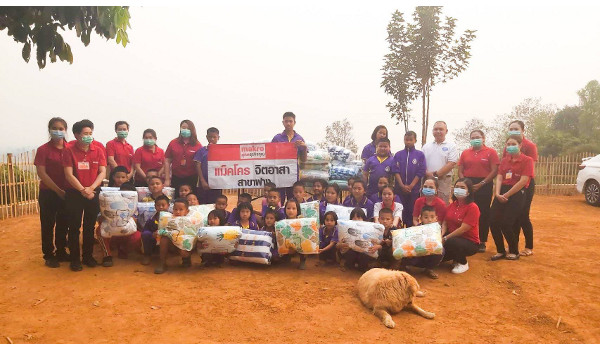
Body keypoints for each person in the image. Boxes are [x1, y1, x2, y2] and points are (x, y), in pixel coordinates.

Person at [62, 119, 107, 271]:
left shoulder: (98, 150)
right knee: (74, 226)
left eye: (90, 133)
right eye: (85, 133)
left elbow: (102, 172)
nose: (88, 136)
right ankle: (75, 259)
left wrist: (91, 188)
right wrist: (82, 190)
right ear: (76, 135)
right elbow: (68, 174)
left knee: (89, 226)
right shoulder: (69, 150)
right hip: (74, 193)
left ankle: (88, 256)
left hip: (93, 193)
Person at [490, 135, 534, 261]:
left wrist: (507, 195)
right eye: (508, 144)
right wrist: (497, 193)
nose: (510, 146)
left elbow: (524, 180)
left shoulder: (527, 160)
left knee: (507, 222)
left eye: (513, 144)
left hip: (517, 193)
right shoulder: (504, 160)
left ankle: (514, 251)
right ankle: (500, 250)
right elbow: (499, 177)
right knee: (493, 221)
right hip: (501, 192)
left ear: (520, 145)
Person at [35, 117, 70, 267]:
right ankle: (48, 254)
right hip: (48, 192)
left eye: (61, 129)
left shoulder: (70, 149)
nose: (58, 131)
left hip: (67, 192)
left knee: (63, 223)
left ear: (65, 130)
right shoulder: (43, 150)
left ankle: (61, 250)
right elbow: (42, 173)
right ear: (49, 130)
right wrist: (57, 190)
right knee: (48, 224)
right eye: (55, 128)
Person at [458, 129, 499, 252]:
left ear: (483, 138)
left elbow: (494, 171)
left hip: (484, 185)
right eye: (472, 137)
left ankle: (482, 241)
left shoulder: (491, 152)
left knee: (483, 213)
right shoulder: (465, 153)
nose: (475, 139)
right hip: (467, 183)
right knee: (466, 211)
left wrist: (482, 183)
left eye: (477, 137)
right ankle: (466, 237)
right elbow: (460, 169)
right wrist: (465, 183)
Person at [504, 120, 538, 257]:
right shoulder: (508, 145)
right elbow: (505, 163)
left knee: (523, 215)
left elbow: (530, 171)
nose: (513, 130)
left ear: (523, 130)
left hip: (526, 184)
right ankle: (514, 245)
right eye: (511, 128)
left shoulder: (530, 146)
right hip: (511, 185)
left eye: (516, 128)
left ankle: (529, 247)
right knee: (513, 215)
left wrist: (522, 184)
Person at [97, 181, 141, 267]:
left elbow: (135, 222)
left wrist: (123, 220)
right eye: (122, 193)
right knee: (99, 231)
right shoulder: (108, 203)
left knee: (138, 236)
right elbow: (99, 219)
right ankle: (107, 256)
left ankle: (123, 249)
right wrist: (107, 216)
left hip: (126, 231)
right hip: (112, 233)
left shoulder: (135, 206)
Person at [441, 178, 480, 274]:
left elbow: (463, 229)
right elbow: (445, 222)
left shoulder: (473, 207)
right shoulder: (452, 205)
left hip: (469, 241)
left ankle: (463, 263)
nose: (459, 189)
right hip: (452, 237)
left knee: (451, 242)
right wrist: (441, 235)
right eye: (457, 187)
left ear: (469, 191)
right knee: (439, 259)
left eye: (462, 187)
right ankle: (455, 258)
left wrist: (445, 238)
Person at [271, 112, 307, 202]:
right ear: (283, 122)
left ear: (294, 122)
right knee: (279, 200)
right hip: (280, 174)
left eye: (290, 121)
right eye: (286, 121)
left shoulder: (299, 138)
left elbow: (304, 159)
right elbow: (270, 156)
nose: (288, 123)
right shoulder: (277, 138)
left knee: (293, 200)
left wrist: (304, 147)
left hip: (293, 175)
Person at [400, 205, 444, 279]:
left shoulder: (437, 229)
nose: (429, 220)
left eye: (432, 217)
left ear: (436, 218)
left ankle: (429, 269)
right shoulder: (416, 229)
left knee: (441, 250)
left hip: (429, 255)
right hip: (417, 254)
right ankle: (405, 266)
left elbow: (439, 243)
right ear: (420, 218)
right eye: (426, 217)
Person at [393, 131, 426, 227]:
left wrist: (411, 185)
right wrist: (402, 185)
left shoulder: (420, 155)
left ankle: (410, 231)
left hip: (414, 190)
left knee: (412, 211)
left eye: (411, 140)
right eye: (406, 140)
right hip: (400, 189)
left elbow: (421, 171)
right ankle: (397, 231)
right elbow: (395, 170)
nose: (408, 142)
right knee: (400, 210)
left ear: (415, 140)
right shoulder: (398, 154)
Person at [422, 121, 458, 204]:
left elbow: (451, 163)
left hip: (443, 180)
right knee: (426, 203)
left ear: (446, 131)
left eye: (441, 129)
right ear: (432, 131)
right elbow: (421, 163)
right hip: (427, 179)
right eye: (436, 129)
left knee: (442, 203)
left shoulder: (451, 146)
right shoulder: (426, 146)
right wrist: (427, 174)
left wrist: (436, 174)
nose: (438, 131)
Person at [155, 198, 193, 274]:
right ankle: (162, 263)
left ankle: (186, 259)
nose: (178, 212)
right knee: (164, 239)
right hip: (172, 243)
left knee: (185, 247)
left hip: (184, 245)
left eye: (181, 209)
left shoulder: (191, 220)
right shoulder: (167, 218)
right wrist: (158, 233)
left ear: (187, 211)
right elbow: (163, 230)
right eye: (175, 209)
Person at [164, 120, 202, 194]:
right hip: (176, 177)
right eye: (183, 128)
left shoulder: (197, 145)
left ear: (192, 130)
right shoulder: (173, 143)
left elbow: (199, 164)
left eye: (188, 128)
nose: (185, 130)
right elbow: (167, 161)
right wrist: (167, 179)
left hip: (191, 177)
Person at [194, 127, 223, 204]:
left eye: (214, 137)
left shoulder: (221, 151)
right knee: (203, 203)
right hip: (204, 184)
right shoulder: (202, 151)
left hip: (217, 184)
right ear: (207, 137)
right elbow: (198, 166)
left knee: (215, 203)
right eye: (210, 137)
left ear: (218, 138)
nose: (212, 139)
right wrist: (202, 181)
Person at [140, 195, 170, 265]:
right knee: (146, 234)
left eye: (163, 205)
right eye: (158, 205)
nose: (161, 207)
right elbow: (145, 231)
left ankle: (166, 257)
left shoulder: (172, 218)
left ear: (168, 205)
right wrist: (152, 234)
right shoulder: (151, 219)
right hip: (154, 242)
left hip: (167, 241)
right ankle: (147, 255)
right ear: (155, 206)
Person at [283, 198, 309, 269]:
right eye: (288, 208)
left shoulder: (302, 221)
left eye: (294, 208)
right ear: (285, 210)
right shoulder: (282, 223)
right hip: (288, 245)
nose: (291, 211)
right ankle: (287, 257)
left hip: (300, 244)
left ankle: (302, 260)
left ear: (298, 210)